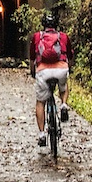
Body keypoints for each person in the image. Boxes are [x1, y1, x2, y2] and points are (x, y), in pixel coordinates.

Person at [29, 10, 74, 147]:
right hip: (61, 69)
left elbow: (32, 57)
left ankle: (42, 134)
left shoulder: (37, 36)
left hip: (43, 71)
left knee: (40, 102)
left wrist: (33, 71)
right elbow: (70, 55)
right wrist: (68, 68)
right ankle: (64, 104)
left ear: (43, 24)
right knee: (64, 85)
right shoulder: (63, 37)